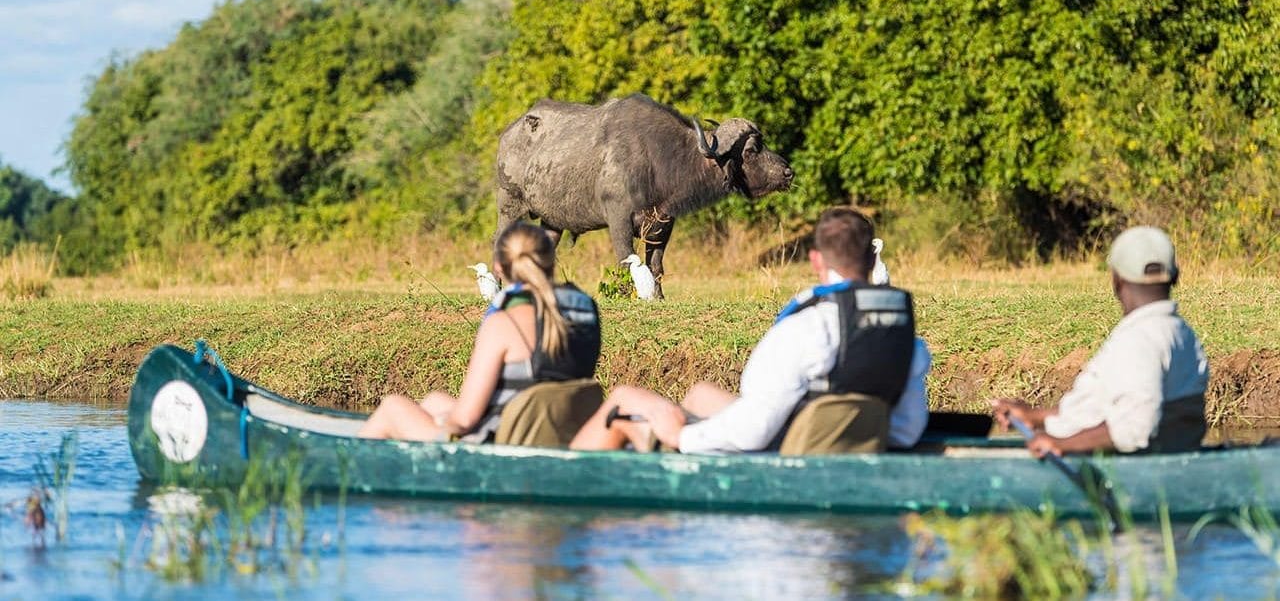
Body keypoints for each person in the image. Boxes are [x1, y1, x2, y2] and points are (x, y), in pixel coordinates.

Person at [570, 207, 932, 454]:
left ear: (816, 260)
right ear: (872, 260)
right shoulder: (904, 336)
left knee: (623, 400)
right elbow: (907, 428)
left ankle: (558, 495)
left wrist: (682, 436)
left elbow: (755, 430)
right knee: (699, 394)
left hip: (785, 454)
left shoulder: (805, 328)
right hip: (834, 443)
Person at [358, 222, 601, 441]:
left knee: (392, 407)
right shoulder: (585, 312)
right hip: (556, 434)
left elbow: (465, 420)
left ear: (499, 268)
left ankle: (345, 482)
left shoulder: (504, 323)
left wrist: (444, 423)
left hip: (501, 445)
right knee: (434, 401)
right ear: (550, 261)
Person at [991, 225, 1209, 457]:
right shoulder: (1180, 332)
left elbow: (1134, 428)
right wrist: (1036, 418)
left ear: (1117, 280)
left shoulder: (1139, 340)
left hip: (1091, 461)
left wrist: (1061, 444)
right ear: (1175, 277)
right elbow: (1108, 410)